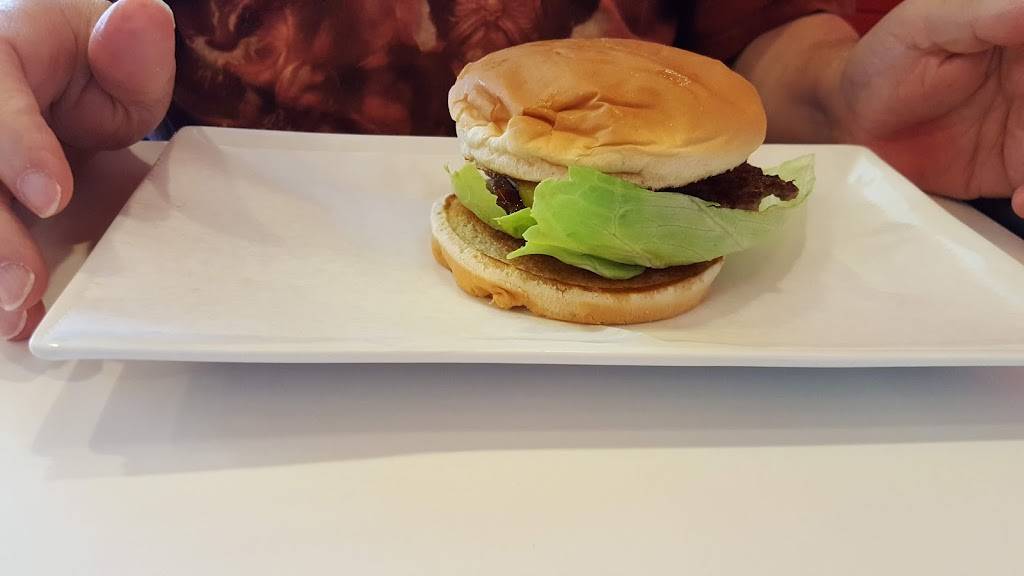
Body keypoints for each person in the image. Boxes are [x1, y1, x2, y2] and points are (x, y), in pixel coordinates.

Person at [1, 0, 1023, 341]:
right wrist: (54, 47)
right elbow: (83, 17)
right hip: (189, 265)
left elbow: (759, 44)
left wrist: (845, 100)